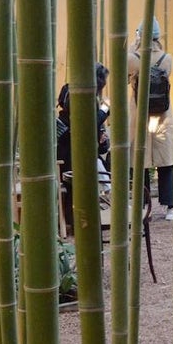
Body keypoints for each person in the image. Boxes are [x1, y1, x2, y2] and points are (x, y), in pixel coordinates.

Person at [129, 18, 173, 221]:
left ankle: (142, 206)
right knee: (166, 161)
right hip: (163, 114)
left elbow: (125, 75)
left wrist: (133, 46)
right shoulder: (167, 58)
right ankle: (171, 207)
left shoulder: (133, 58)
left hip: (140, 115)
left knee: (139, 161)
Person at [57, 62, 110, 230]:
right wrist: (104, 111)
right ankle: (79, 222)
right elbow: (85, 124)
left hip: (77, 148)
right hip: (69, 149)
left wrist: (102, 139)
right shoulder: (77, 94)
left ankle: (84, 221)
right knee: (77, 183)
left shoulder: (77, 92)